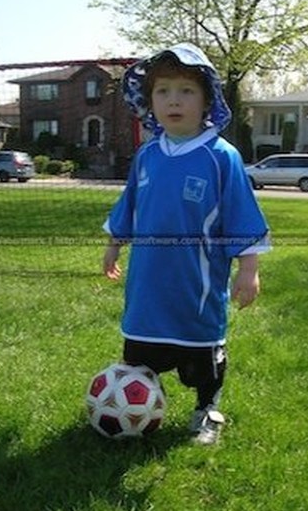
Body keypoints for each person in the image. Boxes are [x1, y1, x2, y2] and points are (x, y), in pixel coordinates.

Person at [103, 43, 270, 444]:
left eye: (186, 91)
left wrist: (249, 270)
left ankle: (206, 410)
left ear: (207, 99)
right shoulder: (146, 157)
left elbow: (241, 215)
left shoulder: (220, 156)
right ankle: (133, 408)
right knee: (141, 355)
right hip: (146, 285)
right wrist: (113, 245)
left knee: (202, 360)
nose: (173, 100)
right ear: (149, 101)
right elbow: (130, 205)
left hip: (196, 286)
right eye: (163, 91)